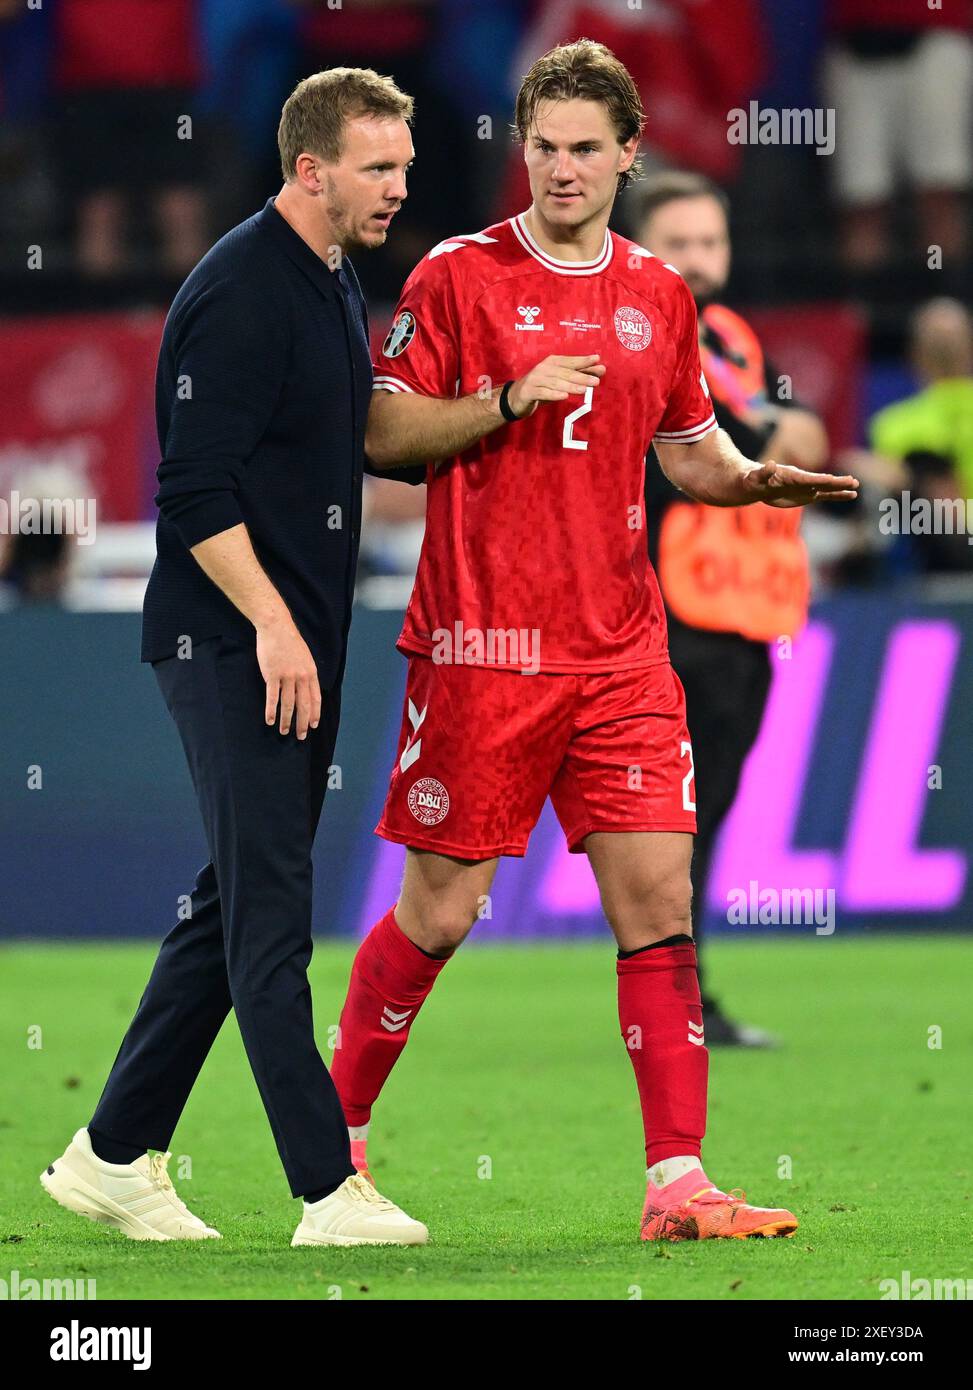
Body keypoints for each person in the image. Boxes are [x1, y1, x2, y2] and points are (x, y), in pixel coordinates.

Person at [329, 41, 857, 1242]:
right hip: (482, 646)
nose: (560, 169)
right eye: (543, 146)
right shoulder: (458, 277)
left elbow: (684, 449)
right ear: (524, 149)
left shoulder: (658, 296)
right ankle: (337, 1139)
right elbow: (384, 430)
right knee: (444, 909)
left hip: (621, 647)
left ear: (628, 153)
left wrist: (750, 479)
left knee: (658, 894)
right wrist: (504, 400)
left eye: (584, 148)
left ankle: (678, 1180)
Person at [41, 68, 427, 1249]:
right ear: (309, 169)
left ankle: (110, 1153)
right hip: (233, 642)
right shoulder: (242, 291)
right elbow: (190, 494)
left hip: (282, 643)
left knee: (227, 909)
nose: (397, 187)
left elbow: (347, 444)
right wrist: (269, 624)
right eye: (377, 168)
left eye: (404, 167)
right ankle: (326, 1188)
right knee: (269, 917)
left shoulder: (328, 274)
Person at [633, 171, 830, 1047]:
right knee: (673, 822)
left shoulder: (734, 344)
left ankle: (683, 999)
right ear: (644, 250)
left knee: (703, 814)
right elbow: (685, 454)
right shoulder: (636, 341)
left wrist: (796, 432)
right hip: (660, 617)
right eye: (680, 245)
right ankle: (676, 1003)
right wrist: (774, 438)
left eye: (711, 243)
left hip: (739, 615)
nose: (700, 263)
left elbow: (792, 438)